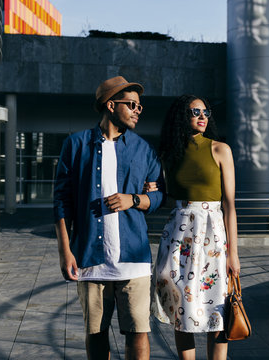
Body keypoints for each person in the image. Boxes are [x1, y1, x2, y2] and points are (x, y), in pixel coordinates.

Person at [53, 76, 165, 360]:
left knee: (138, 332)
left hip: (134, 258)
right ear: (111, 105)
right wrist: (65, 251)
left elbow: (160, 194)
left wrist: (135, 199)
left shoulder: (143, 148)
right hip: (91, 256)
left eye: (140, 106)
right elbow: (61, 202)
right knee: (96, 333)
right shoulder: (76, 145)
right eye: (131, 105)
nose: (138, 110)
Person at [150, 94, 240, 360]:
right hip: (178, 236)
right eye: (195, 112)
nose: (202, 117)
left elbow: (230, 205)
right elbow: (169, 200)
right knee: (181, 308)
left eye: (206, 112)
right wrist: (153, 191)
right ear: (181, 117)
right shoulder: (168, 154)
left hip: (213, 236)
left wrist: (233, 253)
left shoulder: (220, 149)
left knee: (219, 309)